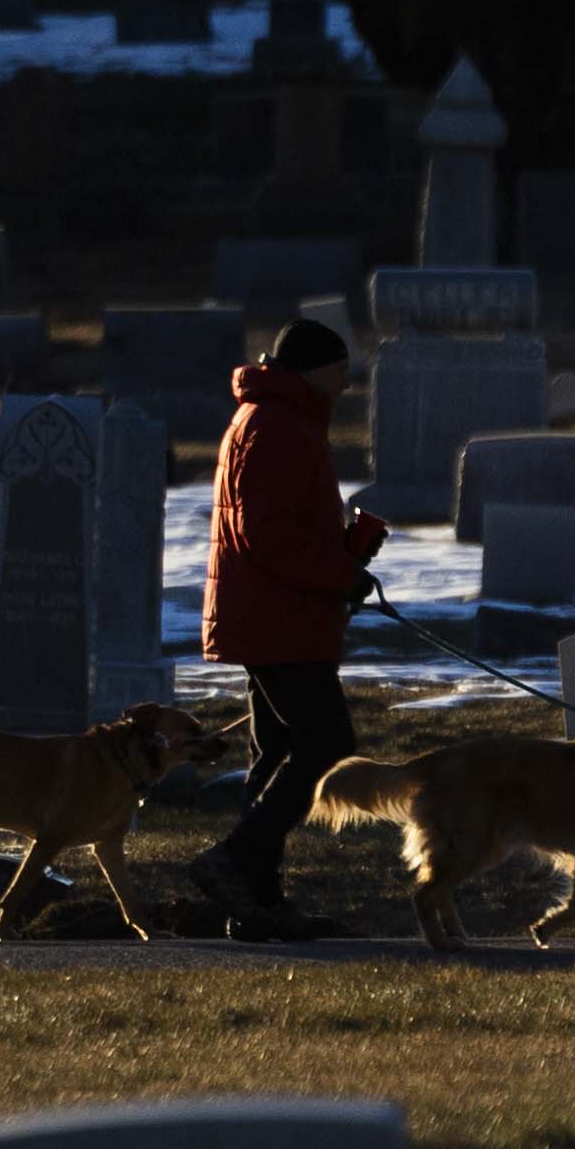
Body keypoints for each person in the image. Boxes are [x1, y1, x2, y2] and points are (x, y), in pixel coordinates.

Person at [184, 317, 387, 937]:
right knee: (325, 745)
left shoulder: (273, 418)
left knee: (277, 751)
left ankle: (256, 905)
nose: (346, 386)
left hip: (273, 614)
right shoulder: (278, 424)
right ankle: (235, 861)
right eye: (340, 373)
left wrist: (347, 553)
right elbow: (266, 536)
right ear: (314, 371)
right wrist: (341, 576)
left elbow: (281, 529)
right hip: (279, 618)